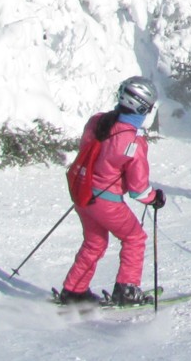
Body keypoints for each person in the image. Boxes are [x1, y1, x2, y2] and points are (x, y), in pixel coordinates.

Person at [55, 76, 168, 306]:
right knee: (135, 238)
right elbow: (138, 189)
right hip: (106, 201)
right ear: (141, 107)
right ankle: (126, 290)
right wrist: (154, 198)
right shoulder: (133, 142)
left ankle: (74, 290)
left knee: (95, 242)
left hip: (82, 194)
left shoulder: (97, 121)